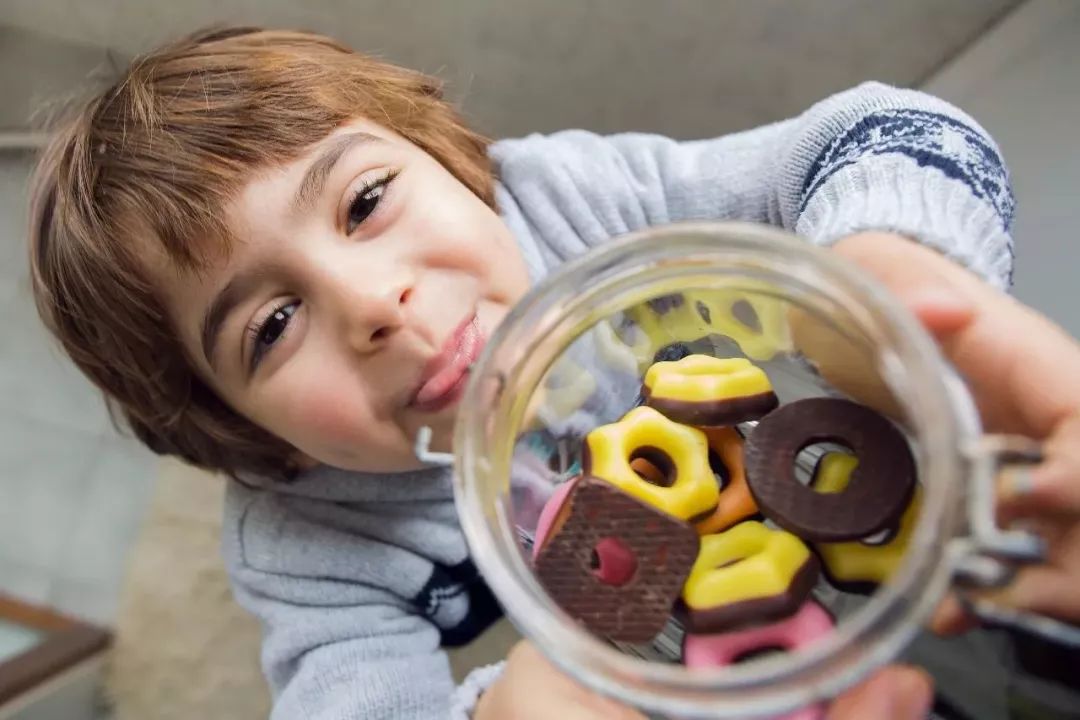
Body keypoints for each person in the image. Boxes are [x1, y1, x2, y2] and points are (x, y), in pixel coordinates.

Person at [26, 25, 1074, 720]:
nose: (374, 304)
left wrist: (884, 267)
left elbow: (874, 132)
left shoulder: (577, 202)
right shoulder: (308, 540)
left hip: (907, 512)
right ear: (244, 434)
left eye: (364, 203)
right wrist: (501, 709)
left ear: (453, 159)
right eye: (271, 326)